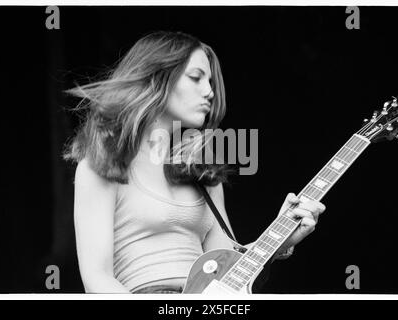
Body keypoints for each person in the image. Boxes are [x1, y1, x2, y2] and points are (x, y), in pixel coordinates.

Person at [64, 31, 326, 294]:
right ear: (157, 78)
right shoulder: (101, 165)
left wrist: (279, 239)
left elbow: (228, 270)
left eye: (210, 81)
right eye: (196, 78)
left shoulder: (202, 175)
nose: (210, 92)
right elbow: (97, 279)